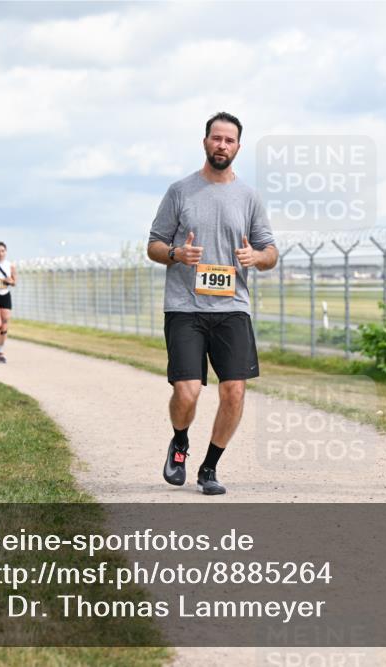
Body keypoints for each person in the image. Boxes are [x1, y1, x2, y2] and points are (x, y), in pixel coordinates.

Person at [147, 111, 278, 496]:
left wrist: (258, 257)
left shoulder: (249, 197)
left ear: (238, 146)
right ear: (205, 142)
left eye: (229, 140)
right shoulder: (179, 191)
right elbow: (153, 244)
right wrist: (175, 254)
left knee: (234, 391)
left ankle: (209, 468)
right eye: (216, 138)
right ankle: (181, 442)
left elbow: (270, 250)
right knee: (187, 391)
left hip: (232, 306)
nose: (222, 145)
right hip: (185, 306)